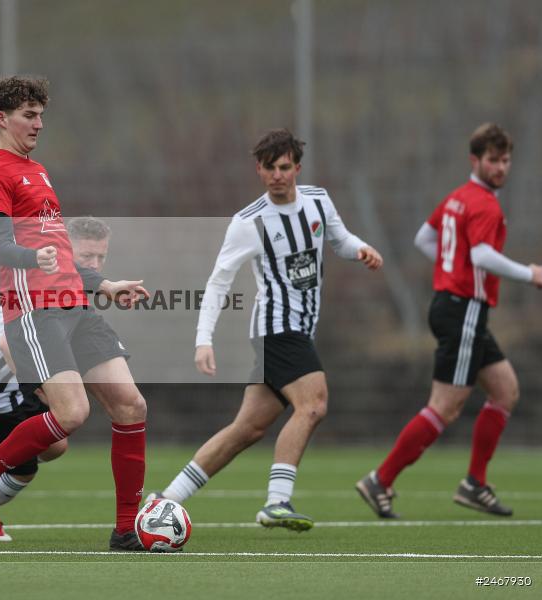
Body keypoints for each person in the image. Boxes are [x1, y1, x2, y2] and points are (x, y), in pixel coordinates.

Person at [0, 76, 151, 551]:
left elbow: (60, 253)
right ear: (1, 119)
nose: (39, 123)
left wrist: (104, 284)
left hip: (76, 308)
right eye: (29, 115)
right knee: (73, 413)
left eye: (41, 115)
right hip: (35, 313)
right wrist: (29, 258)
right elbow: (1, 246)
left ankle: (126, 531)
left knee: (131, 405)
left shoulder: (36, 170)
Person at [148, 129, 382, 532]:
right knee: (313, 404)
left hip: (300, 329)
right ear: (259, 170)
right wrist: (203, 339)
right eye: (270, 168)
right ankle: (277, 501)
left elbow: (339, 241)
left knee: (247, 428)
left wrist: (362, 249)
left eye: (285, 167)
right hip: (276, 328)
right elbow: (219, 281)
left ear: (297, 168)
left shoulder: (319, 202)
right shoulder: (249, 222)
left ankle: (165, 499)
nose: (278, 175)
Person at [356, 123, 542, 519]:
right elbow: (480, 257)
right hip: (463, 310)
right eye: (493, 160)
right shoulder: (484, 204)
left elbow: (423, 239)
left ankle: (475, 483)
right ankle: (381, 480)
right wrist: (531, 274)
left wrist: (449, 270)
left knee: (505, 390)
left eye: (506, 160)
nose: (501, 168)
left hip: (455, 305)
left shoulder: (457, 198)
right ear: (474, 160)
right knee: (445, 407)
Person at [0, 216, 112, 542]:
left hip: (15, 387)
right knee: (25, 469)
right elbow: (7, 344)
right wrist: (50, 392)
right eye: (86, 257)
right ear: (66, 251)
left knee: (55, 445)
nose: (94, 264)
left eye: (101, 257)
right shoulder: (44, 282)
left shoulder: (71, 287)